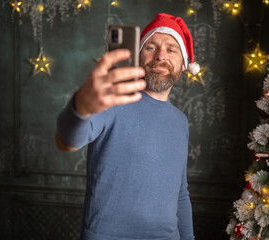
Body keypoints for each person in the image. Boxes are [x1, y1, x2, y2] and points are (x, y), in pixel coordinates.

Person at [56, 13, 200, 240]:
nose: (160, 56)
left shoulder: (180, 121)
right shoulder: (112, 102)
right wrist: (80, 107)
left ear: (184, 64)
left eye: (171, 50)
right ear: (137, 56)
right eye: (150, 47)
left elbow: (181, 193)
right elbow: (67, 142)